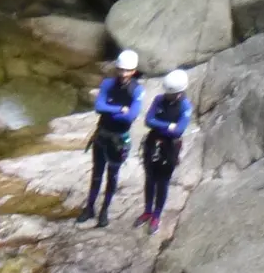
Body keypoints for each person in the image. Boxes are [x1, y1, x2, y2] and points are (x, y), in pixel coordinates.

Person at [79, 50, 144, 229]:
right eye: (121, 70)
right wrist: (119, 109)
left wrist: (111, 110)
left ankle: (104, 211)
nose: (123, 74)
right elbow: (99, 107)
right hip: (103, 135)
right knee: (97, 174)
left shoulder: (137, 90)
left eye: (127, 71)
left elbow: (131, 116)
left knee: (112, 176)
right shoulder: (108, 84)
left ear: (133, 71)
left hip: (118, 139)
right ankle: (89, 208)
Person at [138, 69, 192, 236]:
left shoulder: (185, 106)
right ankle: (147, 211)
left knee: (162, 182)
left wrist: (160, 125)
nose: (167, 96)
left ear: (179, 93)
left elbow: (179, 130)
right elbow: (148, 120)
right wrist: (168, 126)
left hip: (170, 148)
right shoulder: (159, 99)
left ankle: (156, 215)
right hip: (153, 143)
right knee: (150, 179)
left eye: (171, 94)